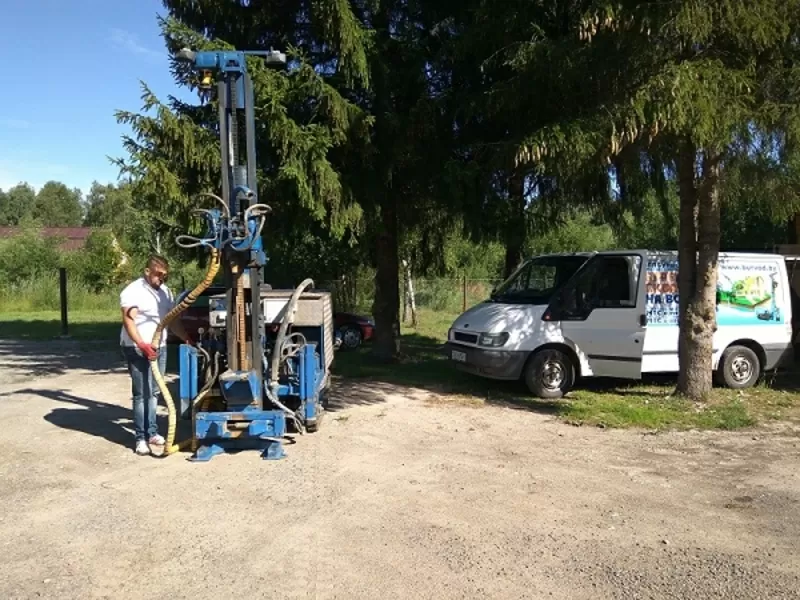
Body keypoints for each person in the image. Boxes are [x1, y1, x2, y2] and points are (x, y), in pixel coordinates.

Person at [119, 254, 193, 456]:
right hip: (136, 347)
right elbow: (129, 321)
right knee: (141, 394)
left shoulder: (166, 293)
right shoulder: (133, 291)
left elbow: (172, 320)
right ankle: (140, 437)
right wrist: (141, 344)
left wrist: (186, 338)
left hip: (158, 347)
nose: (161, 279)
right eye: (158, 275)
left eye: (165, 276)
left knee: (154, 392)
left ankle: (152, 432)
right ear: (147, 272)